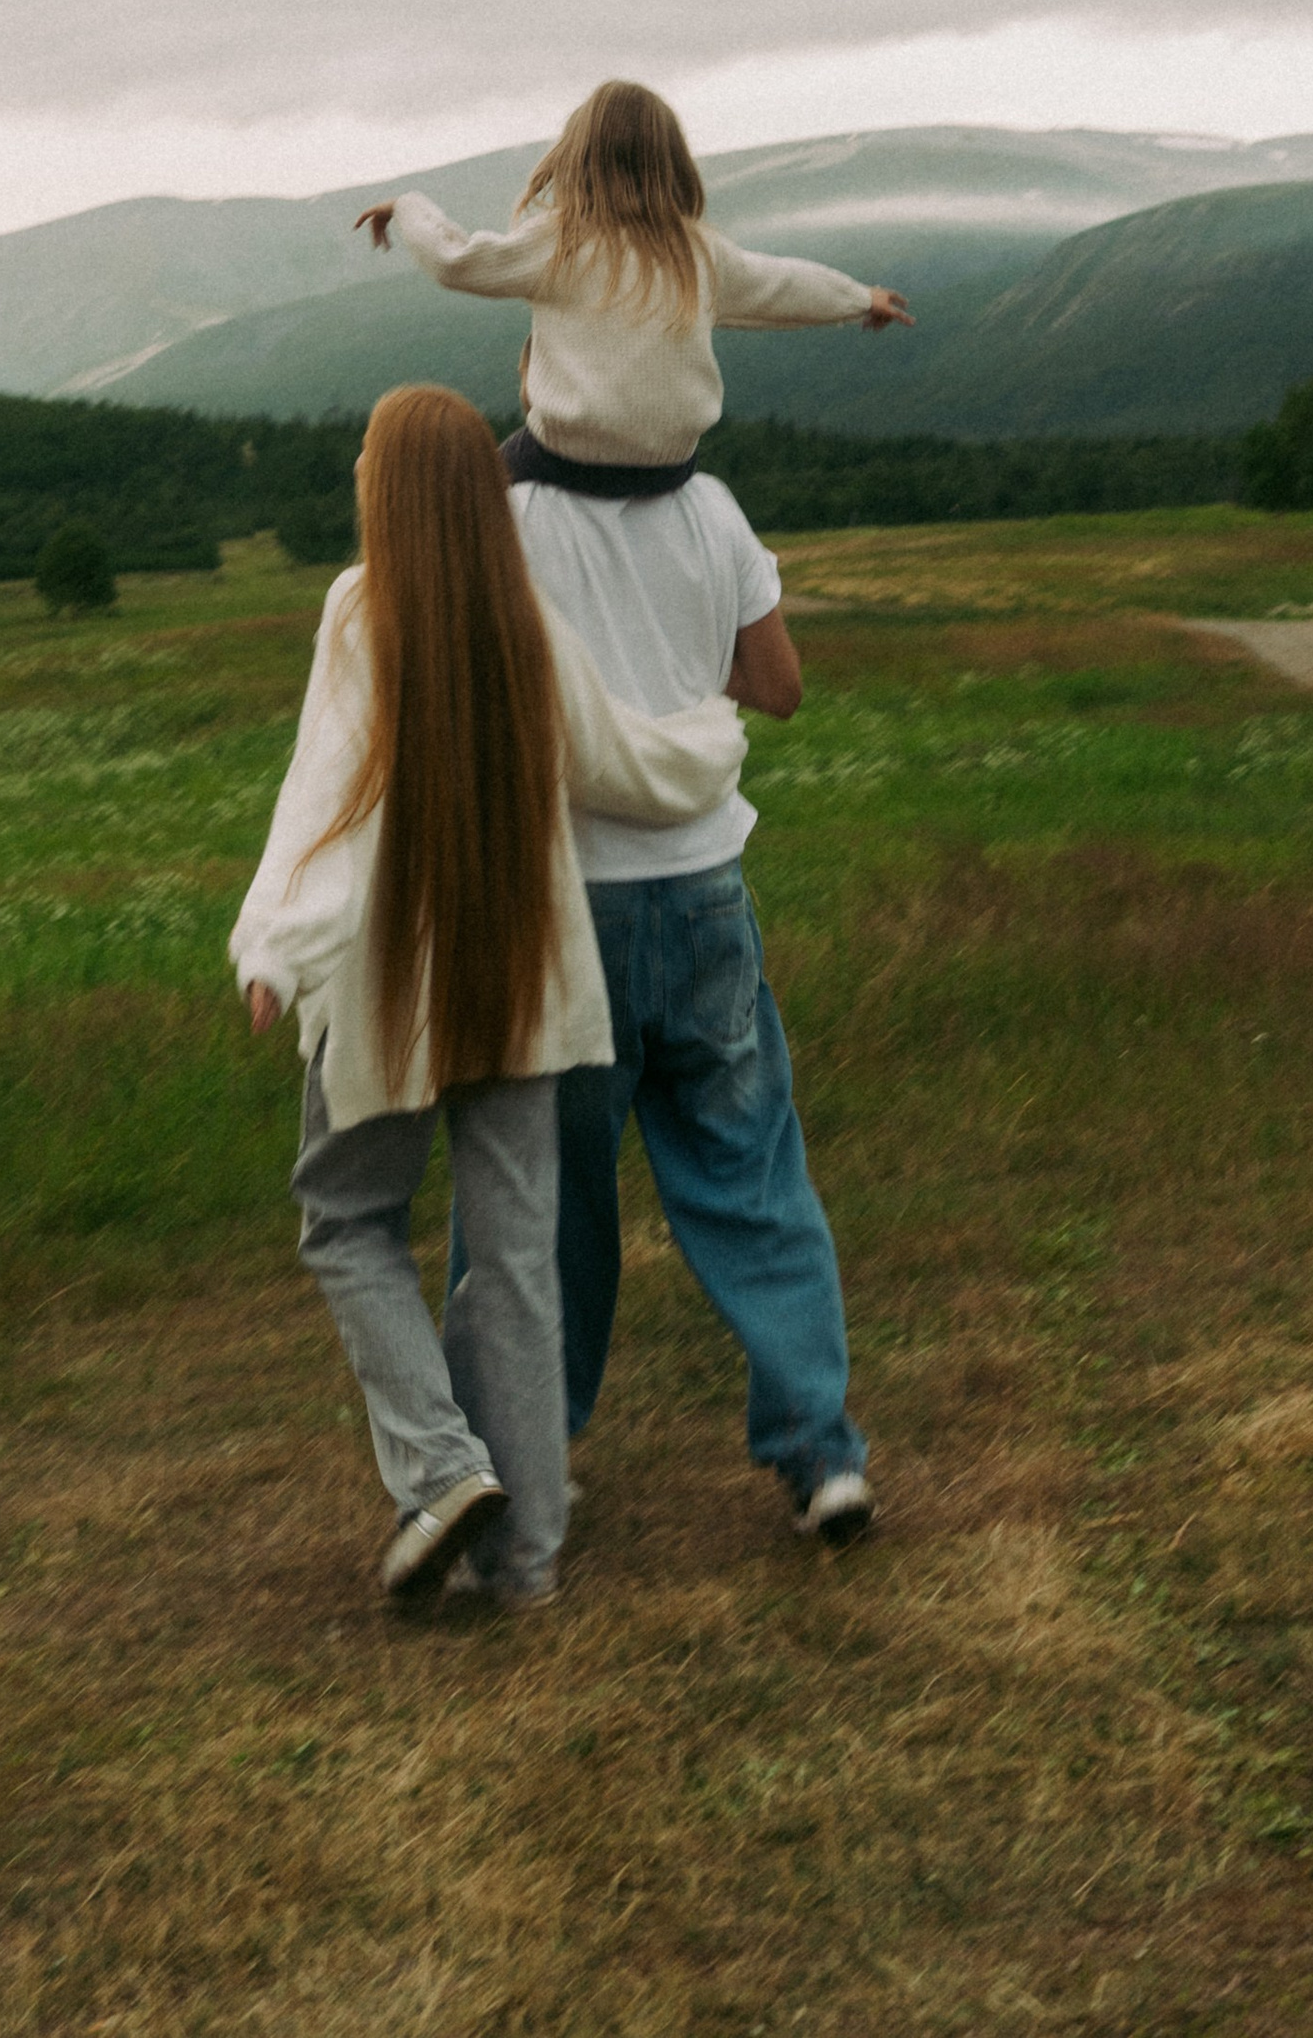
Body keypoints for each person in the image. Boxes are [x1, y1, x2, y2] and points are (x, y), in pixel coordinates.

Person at [368, 83, 892, 1545]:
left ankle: (521, 1465)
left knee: (536, 1211)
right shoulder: (715, 510)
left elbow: (461, 249)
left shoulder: (505, 514)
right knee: (750, 1173)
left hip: (564, 905)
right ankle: (823, 1449)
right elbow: (777, 688)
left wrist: (403, 213)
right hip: (707, 894)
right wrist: (862, 303)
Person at [232, 383, 749, 1610]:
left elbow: (324, 794)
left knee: (347, 1222)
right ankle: (528, 1565)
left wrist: (273, 946)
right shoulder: (531, 617)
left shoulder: (361, 608)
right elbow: (623, 762)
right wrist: (711, 739)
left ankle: (442, 1469)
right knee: (515, 1261)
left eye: (365, 457)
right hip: (524, 971)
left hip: (397, 981)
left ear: (388, 488)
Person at [356, 77, 910, 491]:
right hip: (670, 471)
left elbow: (457, 261)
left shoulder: (562, 242)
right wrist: (861, 297)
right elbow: (781, 284)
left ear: (577, 158)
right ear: (672, 163)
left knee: (473, 500)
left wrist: (408, 207)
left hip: (564, 461)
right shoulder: (696, 251)